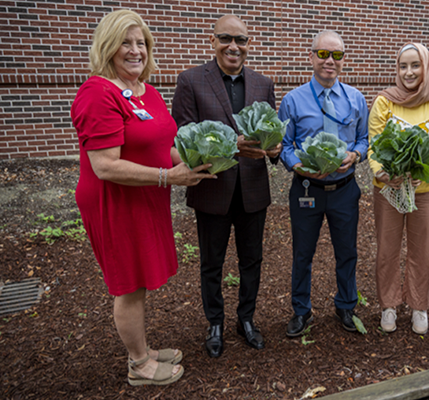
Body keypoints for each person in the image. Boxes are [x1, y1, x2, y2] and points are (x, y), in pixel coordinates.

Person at [71, 10, 214, 386]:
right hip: (114, 202)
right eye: (126, 42)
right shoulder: (97, 93)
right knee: (128, 283)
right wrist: (169, 176)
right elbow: (105, 166)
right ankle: (139, 365)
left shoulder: (144, 91)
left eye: (142, 43)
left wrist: (203, 159)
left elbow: (163, 145)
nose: (135, 51)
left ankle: (144, 349)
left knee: (140, 279)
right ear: (107, 46)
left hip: (146, 197)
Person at [171, 15, 280, 358]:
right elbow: (183, 135)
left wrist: (275, 148)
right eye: (226, 38)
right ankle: (214, 322)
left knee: (252, 260)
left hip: (253, 189)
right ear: (212, 40)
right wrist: (231, 144)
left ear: (249, 44)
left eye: (241, 40)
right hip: (212, 187)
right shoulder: (191, 81)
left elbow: (271, 133)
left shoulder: (263, 84)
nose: (234, 46)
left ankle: (246, 319)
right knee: (211, 262)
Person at [279, 30, 369, 336]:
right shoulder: (292, 100)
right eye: (323, 54)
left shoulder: (356, 99)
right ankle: (301, 311)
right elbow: (285, 145)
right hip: (307, 191)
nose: (330, 61)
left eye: (337, 55)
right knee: (303, 253)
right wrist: (298, 166)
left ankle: (346, 305)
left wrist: (356, 154)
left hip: (344, 190)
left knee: (347, 252)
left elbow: (364, 139)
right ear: (311, 57)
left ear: (343, 61)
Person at [367, 43, 429, 335]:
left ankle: (419, 306)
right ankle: (389, 305)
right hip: (388, 190)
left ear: (426, 67)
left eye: (415, 65)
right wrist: (381, 172)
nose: (409, 72)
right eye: (403, 66)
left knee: (423, 252)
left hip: (425, 191)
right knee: (387, 251)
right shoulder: (384, 102)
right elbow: (374, 146)